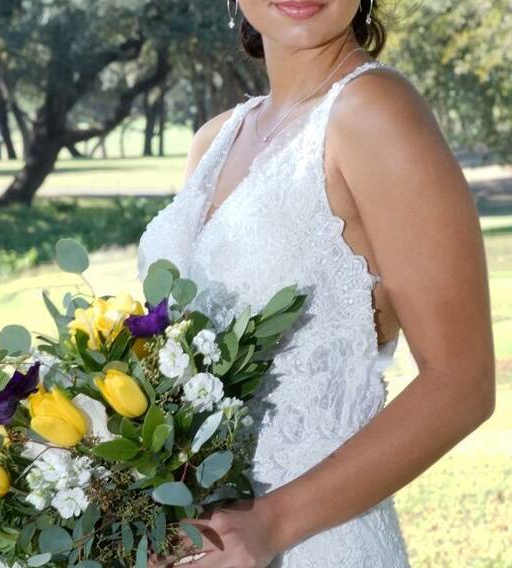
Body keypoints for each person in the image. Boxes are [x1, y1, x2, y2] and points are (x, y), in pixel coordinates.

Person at [138, 0, 496, 566]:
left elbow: (463, 383)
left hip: (317, 543)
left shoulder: (374, 111)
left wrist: (272, 524)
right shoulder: (214, 141)